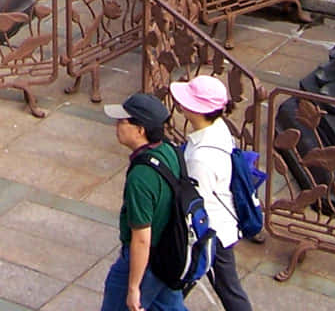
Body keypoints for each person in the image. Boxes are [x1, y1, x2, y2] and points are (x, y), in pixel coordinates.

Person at [168, 76, 254, 311]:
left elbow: (196, 204)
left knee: (221, 288)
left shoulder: (200, 159)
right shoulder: (219, 129)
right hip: (221, 228)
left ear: (197, 110)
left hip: (211, 234)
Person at [101, 92, 188, 311]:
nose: (117, 125)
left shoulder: (141, 177)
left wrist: (133, 287)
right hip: (170, 253)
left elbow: (141, 239)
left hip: (148, 260)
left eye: (123, 121)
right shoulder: (169, 150)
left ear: (140, 130)